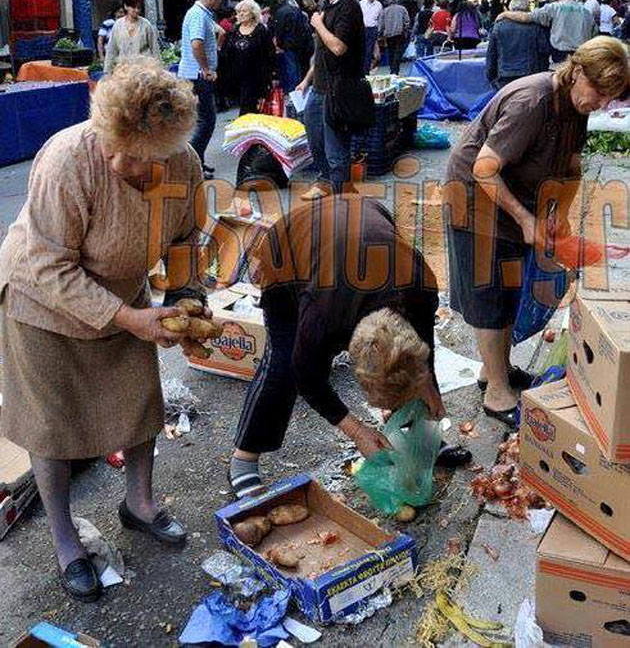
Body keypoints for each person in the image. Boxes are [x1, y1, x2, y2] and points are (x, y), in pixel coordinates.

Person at [0, 58, 207, 601]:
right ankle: (66, 538)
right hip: (40, 304)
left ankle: (138, 504)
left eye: (141, 159)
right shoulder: (68, 161)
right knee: (53, 426)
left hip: (122, 295)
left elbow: (185, 239)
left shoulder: (183, 166)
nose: (123, 164)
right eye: (114, 149)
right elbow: (46, 265)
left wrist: (186, 298)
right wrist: (129, 319)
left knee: (139, 405)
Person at [228, 194, 472, 498]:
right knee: (283, 365)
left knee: (412, 377)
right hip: (288, 250)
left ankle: (422, 443)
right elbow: (308, 379)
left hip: (362, 216)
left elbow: (422, 347)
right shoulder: (322, 316)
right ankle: (243, 459)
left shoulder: (421, 287)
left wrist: (429, 391)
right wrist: (357, 431)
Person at [445, 37, 628, 429]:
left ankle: (494, 371)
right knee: (490, 295)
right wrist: (528, 222)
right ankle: (496, 394)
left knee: (510, 290)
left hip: (516, 199)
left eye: (609, 98)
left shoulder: (575, 106)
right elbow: (484, 168)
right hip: (475, 199)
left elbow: (572, 167)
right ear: (576, 70)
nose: (600, 104)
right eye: (598, 91)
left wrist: (557, 215)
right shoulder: (533, 102)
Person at [298, 0, 365, 200]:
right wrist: (307, 79)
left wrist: (318, 25)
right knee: (314, 136)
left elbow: (338, 47)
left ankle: (341, 196)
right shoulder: (327, 4)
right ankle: (325, 181)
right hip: (320, 85)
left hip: (339, 89)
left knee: (335, 147)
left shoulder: (349, 5)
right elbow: (322, 50)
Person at [178, 0, 221, 179]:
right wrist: (205, 69)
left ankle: (199, 161)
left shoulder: (201, 14)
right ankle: (192, 166)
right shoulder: (197, 15)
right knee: (207, 120)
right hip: (197, 75)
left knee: (200, 120)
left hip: (194, 75)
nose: (219, 2)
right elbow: (197, 44)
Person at [496, 0, 595, 64]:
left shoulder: (554, 8)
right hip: (582, 55)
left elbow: (525, 17)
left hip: (560, 56)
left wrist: (505, 14)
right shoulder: (587, 12)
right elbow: (594, 34)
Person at [486, 0, 551, 88]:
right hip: (530, 76)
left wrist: (491, 77)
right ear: (528, 8)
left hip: (505, 77)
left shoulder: (499, 26)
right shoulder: (536, 26)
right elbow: (544, 51)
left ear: (510, 8)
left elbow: (491, 54)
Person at [224, 0, 276, 115]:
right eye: (239, 11)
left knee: (250, 112)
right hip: (237, 79)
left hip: (256, 79)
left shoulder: (261, 30)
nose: (241, 14)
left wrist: (272, 77)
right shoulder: (234, 30)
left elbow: (270, 55)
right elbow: (227, 53)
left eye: (244, 11)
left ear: (253, 13)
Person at [103, 0, 159, 74]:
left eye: (139, 8)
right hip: (123, 72)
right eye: (133, 7)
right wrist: (107, 71)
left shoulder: (146, 25)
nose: (136, 10)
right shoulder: (118, 25)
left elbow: (155, 49)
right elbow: (112, 50)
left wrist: (159, 70)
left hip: (144, 72)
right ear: (126, 6)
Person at [272, 0, 311, 92]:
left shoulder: (280, 12)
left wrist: (279, 44)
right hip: (298, 43)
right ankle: (298, 88)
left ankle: (293, 90)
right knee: (296, 67)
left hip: (288, 43)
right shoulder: (297, 10)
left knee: (290, 68)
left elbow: (279, 30)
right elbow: (303, 27)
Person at [378, 0, 410, 75]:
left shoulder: (384, 11)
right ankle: (395, 70)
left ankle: (392, 69)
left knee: (391, 52)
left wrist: (380, 34)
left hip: (389, 35)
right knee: (398, 52)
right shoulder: (402, 9)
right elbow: (407, 21)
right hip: (400, 34)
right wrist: (405, 30)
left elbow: (381, 24)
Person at [360, 0, 383, 73]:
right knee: (361, 49)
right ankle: (360, 70)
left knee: (369, 51)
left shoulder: (378, 5)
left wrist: (378, 30)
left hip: (372, 29)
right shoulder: (361, 3)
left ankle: (366, 71)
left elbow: (380, 18)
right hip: (362, 28)